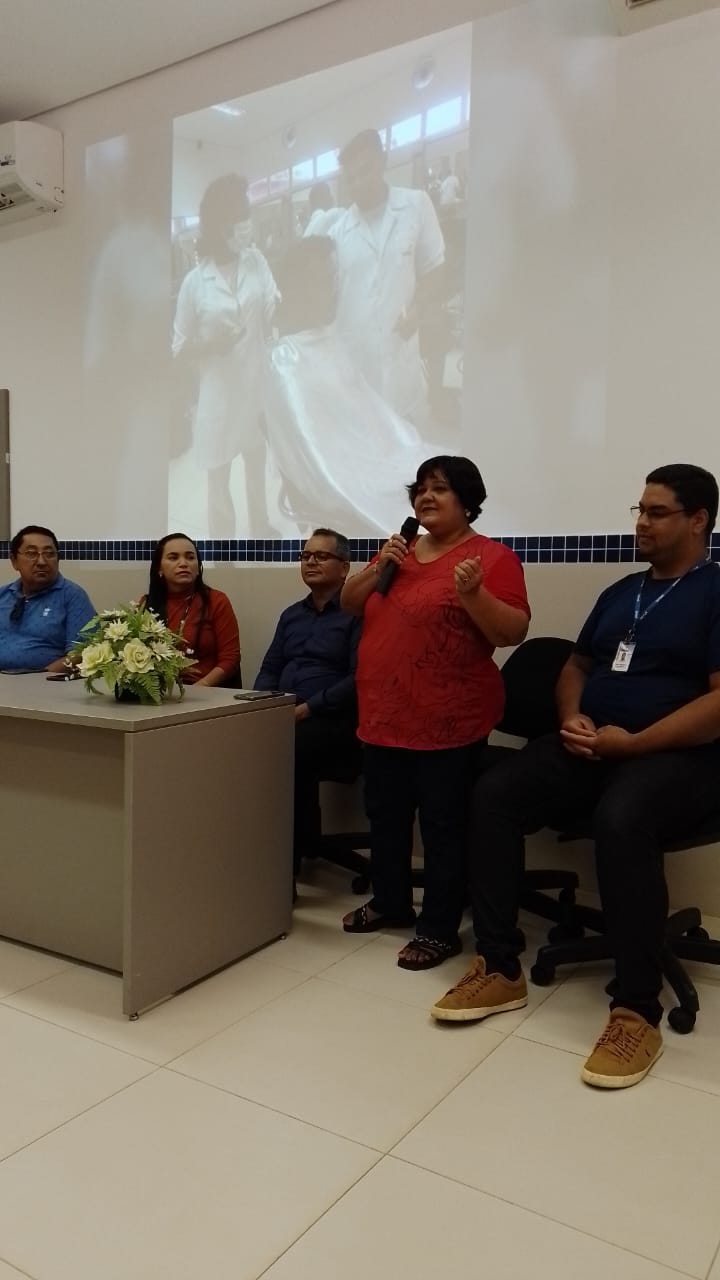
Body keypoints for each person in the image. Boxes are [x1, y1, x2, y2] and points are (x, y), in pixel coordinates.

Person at [431, 463, 720, 1091]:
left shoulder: (715, 590)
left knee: (623, 817)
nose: (641, 523)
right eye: (639, 511)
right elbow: (576, 667)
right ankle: (499, 966)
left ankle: (636, 1010)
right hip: (596, 744)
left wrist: (635, 743)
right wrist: (572, 718)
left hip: (682, 758)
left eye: (657, 512)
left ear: (698, 520)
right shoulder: (622, 591)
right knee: (495, 793)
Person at [340, 457, 530, 970]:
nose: (426, 497)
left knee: (443, 827)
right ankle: (391, 901)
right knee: (386, 818)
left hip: (448, 722)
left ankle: (440, 927)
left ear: (467, 501)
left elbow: (512, 631)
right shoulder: (399, 552)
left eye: (440, 488)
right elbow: (351, 603)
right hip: (383, 715)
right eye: (420, 489)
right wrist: (380, 565)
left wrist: (473, 594)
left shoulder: (492, 557)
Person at [265, 235, 447, 535]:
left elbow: (369, 414)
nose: (334, 289)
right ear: (299, 288)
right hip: (348, 483)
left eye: (335, 278)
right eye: (323, 281)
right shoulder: (286, 362)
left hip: (380, 457)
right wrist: (375, 475)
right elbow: (317, 464)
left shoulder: (327, 339)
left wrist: (393, 447)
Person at [172, 173, 279, 538]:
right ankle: (224, 552)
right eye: (239, 216)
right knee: (219, 483)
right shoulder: (194, 283)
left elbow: (272, 307)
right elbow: (178, 347)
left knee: (256, 466)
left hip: (255, 389)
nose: (246, 223)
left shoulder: (256, 262)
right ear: (218, 224)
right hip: (218, 398)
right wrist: (212, 346)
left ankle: (261, 530)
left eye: (247, 213)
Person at [254, 528, 361, 890]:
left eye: (321, 556)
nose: (311, 562)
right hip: (285, 713)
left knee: (287, 750)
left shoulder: (357, 614)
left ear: (344, 568)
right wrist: (263, 706)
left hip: (336, 719)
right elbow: (270, 668)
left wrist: (307, 709)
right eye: (305, 556)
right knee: (237, 739)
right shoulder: (291, 615)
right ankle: (251, 849)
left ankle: (282, 873)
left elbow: (358, 679)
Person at [329, 129, 445, 430]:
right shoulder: (337, 234)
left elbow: (434, 268)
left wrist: (418, 308)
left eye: (365, 171)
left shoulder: (416, 206)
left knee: (407, 439)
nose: (358, 183)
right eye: (350, 179)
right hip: (357, 365)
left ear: (383, 161)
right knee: (366, 442)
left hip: (400, 357)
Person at [144, 534, 240, 686]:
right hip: (160, 692)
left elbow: (230, 659)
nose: (183, 563)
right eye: (173, 558)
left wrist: (199, 688)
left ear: (198, 568)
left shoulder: (216, 601)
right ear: (159, 568)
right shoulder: (146, 604)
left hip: (206, 690)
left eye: (190, 557)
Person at [0, 526, 95, 672]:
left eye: (49, 554)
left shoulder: (72, 596)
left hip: (44, 681)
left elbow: (80, 654)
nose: (41, 561)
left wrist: (43, 676)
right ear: (14, 561)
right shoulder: (3, 595)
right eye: (31, 553)